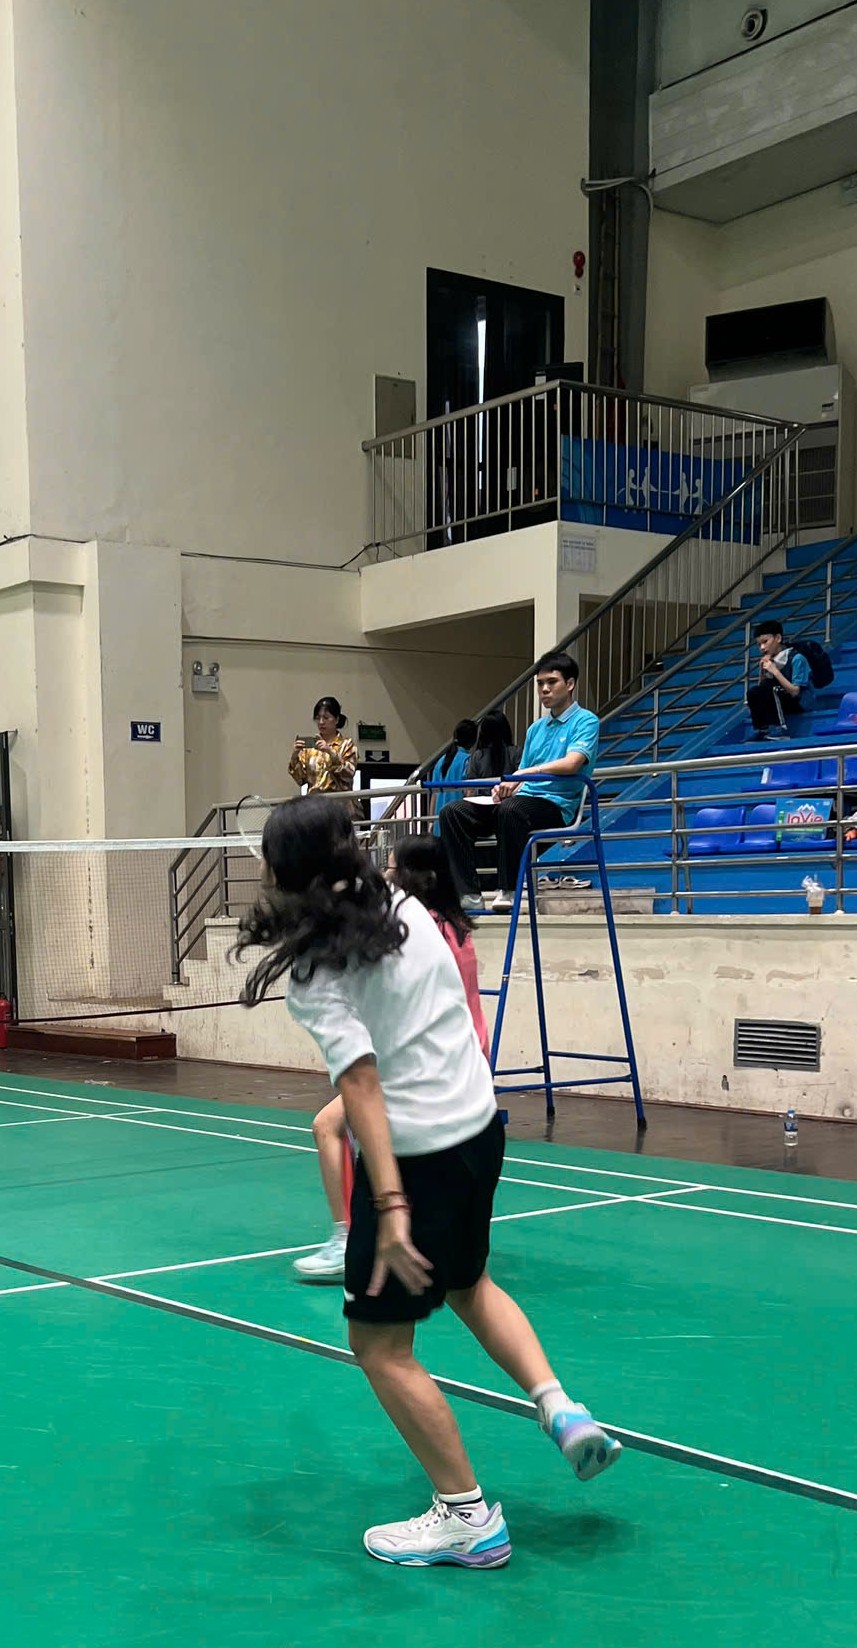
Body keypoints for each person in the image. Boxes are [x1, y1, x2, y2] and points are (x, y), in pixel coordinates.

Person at [242, 795, 617, 1569]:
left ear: (284, 873)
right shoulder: (407, 905)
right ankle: (560, 1408)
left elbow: (362, 1087)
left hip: (416, 1158)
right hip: (480, 1129)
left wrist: (389, 1206)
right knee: (468, 1282)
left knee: (380, 1346)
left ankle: (466, 1516)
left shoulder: (314, 972)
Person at [292, 833, 486, 1285]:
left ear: (417, 875)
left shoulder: (417, 928)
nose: (385, 874)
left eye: (393, 867)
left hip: (430, 1063)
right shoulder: (453, 925)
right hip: (464, 1059)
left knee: (328, 1126)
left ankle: (347, 1238)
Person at [437, 652, 599, 914]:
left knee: (511, 809)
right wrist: (507, 787)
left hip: (556, 806)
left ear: (570, 684)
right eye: (540, 683)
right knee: (452, 812)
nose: (544, 689)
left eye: (552, 682)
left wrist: (526, 773)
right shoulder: (536, 729)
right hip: (520, 802)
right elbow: (521, 777)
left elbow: (572, 763)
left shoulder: (586, 721)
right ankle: (468, 894)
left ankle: (509, 889)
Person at [747, 620, 811, 740]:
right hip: (779, 698)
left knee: (772, 690)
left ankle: (779, 729)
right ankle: (762, 729)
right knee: (753, 692)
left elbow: (795, 691)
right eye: (759, 644)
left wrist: (775, 671)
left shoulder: (797, 658)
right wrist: (762, 671)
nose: (762, 647)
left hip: (799, 701)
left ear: (778, 638)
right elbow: (762, 689)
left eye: (765, 642)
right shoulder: (771, 660)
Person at [287, 697, 358, 796]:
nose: (321, 722)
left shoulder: (347, 744)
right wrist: (295, 757)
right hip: (314, 802)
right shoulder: (310, 748)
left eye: (326, 717)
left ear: (337, 719)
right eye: (317, 718)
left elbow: (348, 775)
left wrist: (330, 752)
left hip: (339, 802)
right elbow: (300, 780)